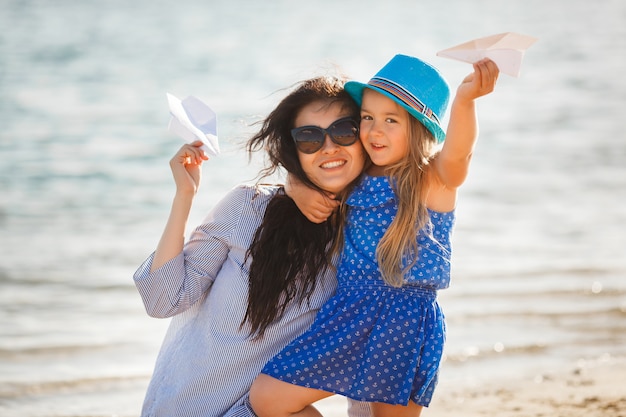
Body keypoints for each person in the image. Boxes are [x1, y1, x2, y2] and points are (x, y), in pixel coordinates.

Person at [249, 54, 500, 417]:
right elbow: (319, 167)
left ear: (419, 128)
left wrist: (465, 101)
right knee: (269, 398)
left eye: (391, 120)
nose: (374, 130)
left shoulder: (430, 179)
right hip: (350, 312)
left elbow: (459, 155)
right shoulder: (359, 174)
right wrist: (297, 187)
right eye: (367, 117)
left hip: (405, 319)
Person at [133, 75, 373, 417]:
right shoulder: (247, 207)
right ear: (293, 152)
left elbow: (363, 355)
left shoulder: (365, 241)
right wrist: (184, 196)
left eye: (344, 131)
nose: (329, 147)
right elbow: (163, 299)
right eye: (309, 138)